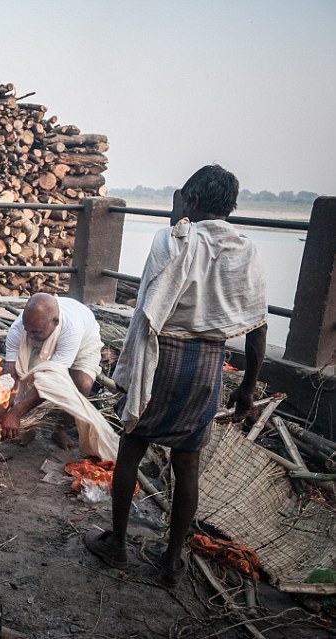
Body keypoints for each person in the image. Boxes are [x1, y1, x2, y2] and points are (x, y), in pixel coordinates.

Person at [84, 165, 267, 589]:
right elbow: (258, 326)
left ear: (192, 200)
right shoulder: (245, 250)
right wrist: (247, 387)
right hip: (206, 363)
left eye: (184, 199)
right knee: (188, 463)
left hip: (161, 356)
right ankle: (171, 561)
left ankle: (118, 546)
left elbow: (151, 301)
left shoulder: (173, 238)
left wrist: (178, 214)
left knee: (131, 447)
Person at [0, 293, 103, 449]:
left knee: (82, 384)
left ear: (55, 322)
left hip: (84, 342)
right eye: (27, 329)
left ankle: (60, 429)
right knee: (27, 375)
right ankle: (29, 427)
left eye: (36, 332)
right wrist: (0, 411)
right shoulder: (20, 329)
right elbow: (11, 374)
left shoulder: (72, 329)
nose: (30, 335)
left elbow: (51, 381)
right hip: (48, 335)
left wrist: (15, 413)